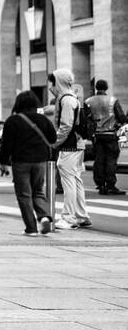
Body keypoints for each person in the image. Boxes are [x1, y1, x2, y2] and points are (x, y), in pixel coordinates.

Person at [0, 90, 57, 236]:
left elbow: (7, 145)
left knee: (24, 195)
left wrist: (4, 163)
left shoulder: (13, 120)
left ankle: (31, 228)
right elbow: (53, 139)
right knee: (38, 191)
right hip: (40, 161)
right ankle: (44, 217)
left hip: (21, 161)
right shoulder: (43, 119)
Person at [48, 69, 92, 229]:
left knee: (68, 180)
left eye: (53, 82)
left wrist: (54, 142)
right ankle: (81, 215)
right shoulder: (72, 98)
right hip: (77, 144)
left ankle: (69, 218)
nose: (51, 86)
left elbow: (66, 126)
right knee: (75, 180)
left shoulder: (66, 100)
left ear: (58, 82)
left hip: (69, 145)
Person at [85, 79, 126, 195]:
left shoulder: (88, 101)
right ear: (106, 87)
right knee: (111, 160)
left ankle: (100, 184)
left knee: (99, 159)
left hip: (96, 136)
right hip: (110, 134)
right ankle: (110, 185)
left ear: (96, 88)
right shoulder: (113, 101)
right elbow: (122, 117)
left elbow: (85, 118)